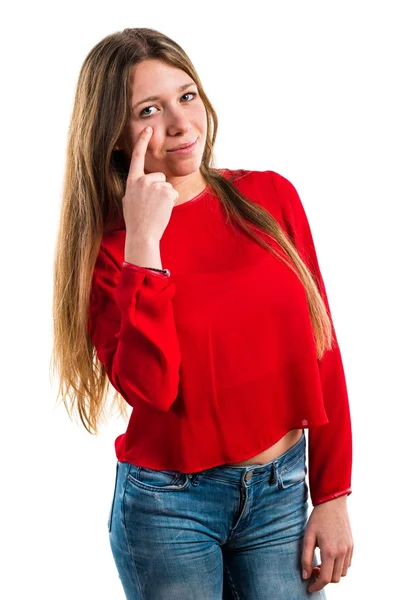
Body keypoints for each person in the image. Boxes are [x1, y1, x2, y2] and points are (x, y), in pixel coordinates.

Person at [51, 27, 354, 599]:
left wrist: (332, 492)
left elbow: (323, 349)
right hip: (170, 510)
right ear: (114, 135)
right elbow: (152, 388)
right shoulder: (111, 252)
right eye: (149, 109)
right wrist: (144, 243)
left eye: (186, 96)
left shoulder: (270, 197)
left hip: (282, 493)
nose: (180, 123)